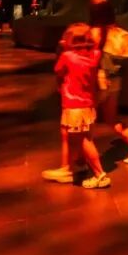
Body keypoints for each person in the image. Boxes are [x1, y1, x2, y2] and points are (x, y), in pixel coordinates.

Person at [60, 0, 128, 162]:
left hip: (96, 82)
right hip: (115, 81)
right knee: (111, 119)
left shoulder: (91, 33)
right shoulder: (124, 35)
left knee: (85, 121)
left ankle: (83, 159)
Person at [42, 33, 111, 188]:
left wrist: (62, 48)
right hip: (87, 103)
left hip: (74, 104)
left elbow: (58, 70)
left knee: (83, 140)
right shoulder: (95, 54)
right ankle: (77, 165)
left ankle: (100, 175)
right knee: (74, 136)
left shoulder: (67, 56)